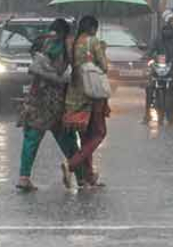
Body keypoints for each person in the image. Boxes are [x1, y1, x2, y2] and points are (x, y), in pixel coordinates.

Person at [15, 18, 83, 192]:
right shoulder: (64, 45)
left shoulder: (41, 42)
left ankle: (24, 177)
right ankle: (82, 176)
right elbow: (65, 71)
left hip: (36, 97)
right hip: (55, 100)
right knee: (66, 138)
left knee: (31, 137)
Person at [62, 16, 110, 188]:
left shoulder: (71, 43)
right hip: (92, 95)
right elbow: (104, 67)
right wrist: (102, 50)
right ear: (92, 29)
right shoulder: (94, 42)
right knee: (99, 133)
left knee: (85, 136)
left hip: (74, 95)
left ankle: (89, 176)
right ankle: (72, 164)